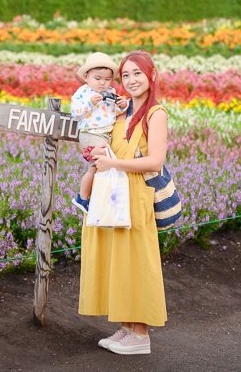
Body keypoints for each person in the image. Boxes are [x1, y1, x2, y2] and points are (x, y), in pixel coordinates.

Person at [79, 50, 168, 356]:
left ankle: (141, 334)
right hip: (115, 193)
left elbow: (156, 160)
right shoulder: (121, 110)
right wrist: (97, 156)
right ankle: (128, 327)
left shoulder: (156, 114)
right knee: (121, 262)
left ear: (151, 76)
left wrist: (114, 165)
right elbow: (109, 142)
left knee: (137, 261)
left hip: (136, 195)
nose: (130, 80)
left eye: (137, 74)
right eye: (126, 75)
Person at [70, 52, 128, 215]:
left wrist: (122, 104)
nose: (103, 83)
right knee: (97, 165)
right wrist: (90, 103)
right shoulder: (83, 93)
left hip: (106, 134)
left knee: (101, 167)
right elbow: (76, 113)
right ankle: (83, 197)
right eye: (98, 78)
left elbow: (115, 111)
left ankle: (95, 198)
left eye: (107, 79)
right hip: (91, 133)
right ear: (86, 77)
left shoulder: (111, 91)